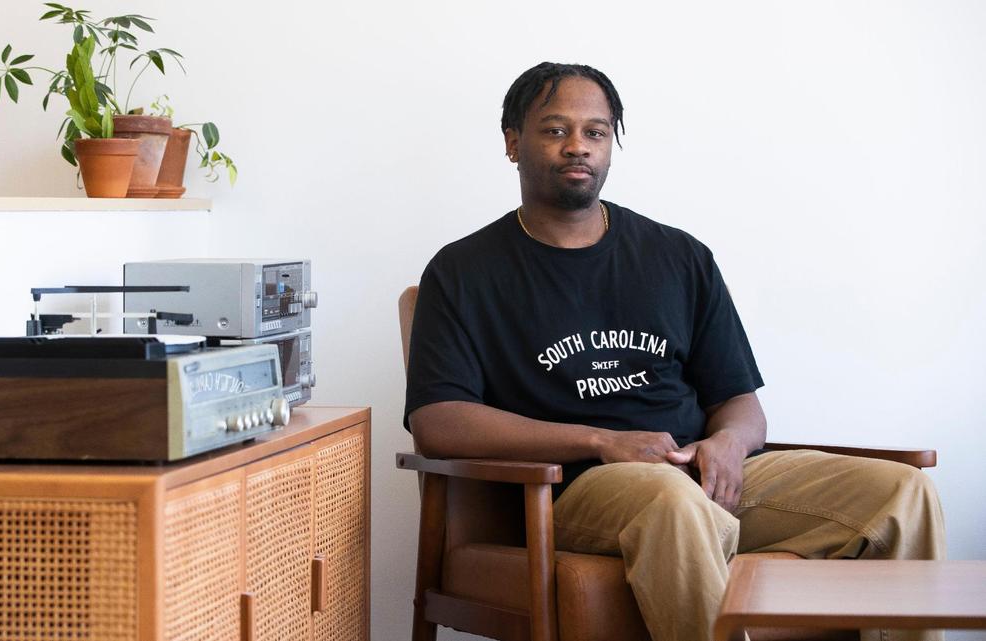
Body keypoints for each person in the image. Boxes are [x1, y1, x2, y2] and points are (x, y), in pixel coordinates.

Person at [404, 61, 945, 641]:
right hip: (578, 486)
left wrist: (728, 445)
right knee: (668, 500)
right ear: (513, 142)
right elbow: (439, 422)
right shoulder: (463, 271)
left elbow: (740, 402)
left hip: (699, 475)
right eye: (555, 130)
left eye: (595, 132)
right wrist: (600, 440)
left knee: (899, 491)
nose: (577, 148)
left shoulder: (678, 256)